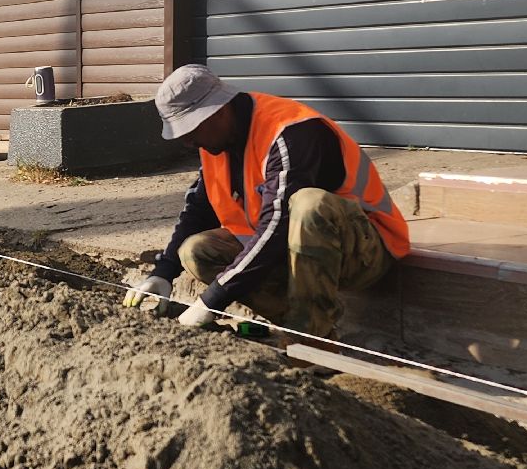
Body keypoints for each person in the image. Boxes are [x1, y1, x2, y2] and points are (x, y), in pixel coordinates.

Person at [124, 65, 409, 339]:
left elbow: (277, 225)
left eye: (191, 130)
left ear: (218, 110)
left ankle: (309, 339)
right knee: (197, 251)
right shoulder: (215, 142)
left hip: (363, 250)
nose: (188, 142)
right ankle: (300, 325)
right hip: (290, 250)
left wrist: (212, 300)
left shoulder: (291, 133)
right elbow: (199, 210)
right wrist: (163, 272)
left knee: (310, 204)